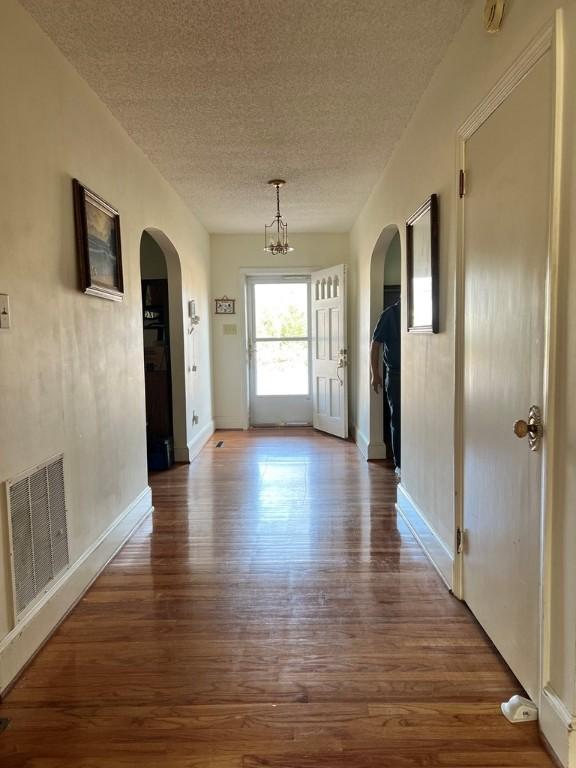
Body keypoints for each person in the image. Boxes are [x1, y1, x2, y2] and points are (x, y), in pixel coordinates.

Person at [370, 299, 401, 471]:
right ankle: (400, 465)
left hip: (419, 376)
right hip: (396, 375)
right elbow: (375, 345)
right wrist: (375, 374)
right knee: (398, 419)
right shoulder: (390, 314)